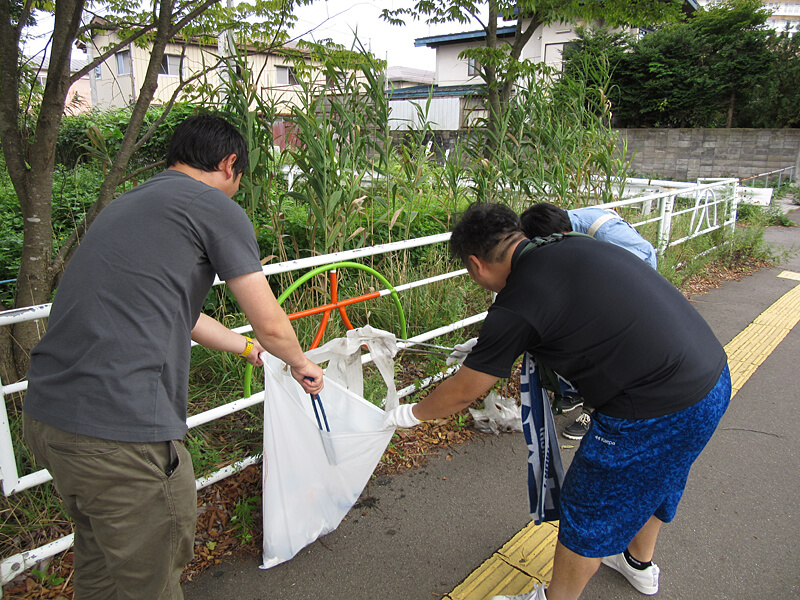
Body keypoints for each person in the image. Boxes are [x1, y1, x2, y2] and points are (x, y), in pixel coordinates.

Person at [23, 114, 323, 600]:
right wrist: (301, 361)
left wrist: (246, 348)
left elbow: (181, 316)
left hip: (50, 423)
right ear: (230, 164)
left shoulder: (130, 205)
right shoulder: (210, 205)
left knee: (99, 565)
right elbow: (271, 322)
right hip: (120, 435)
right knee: (152, 583)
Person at [385, 203, 730, 600]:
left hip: (654, 410)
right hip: (712, 379)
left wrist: (409, 413)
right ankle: (637, 564)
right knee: (661, 474)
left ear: (476, 265)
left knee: (588, 506)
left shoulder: (517, 301)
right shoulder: (573, 244)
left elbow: (465, 390)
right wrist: (487, 349)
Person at [520, 202, 658, 440]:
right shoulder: (559, 226)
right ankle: (572, 392)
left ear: (560, 236)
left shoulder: (606, 234)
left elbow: (646, 258)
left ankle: (593, 413)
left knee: (605, 353)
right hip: (595, 287)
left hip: (630, 294)